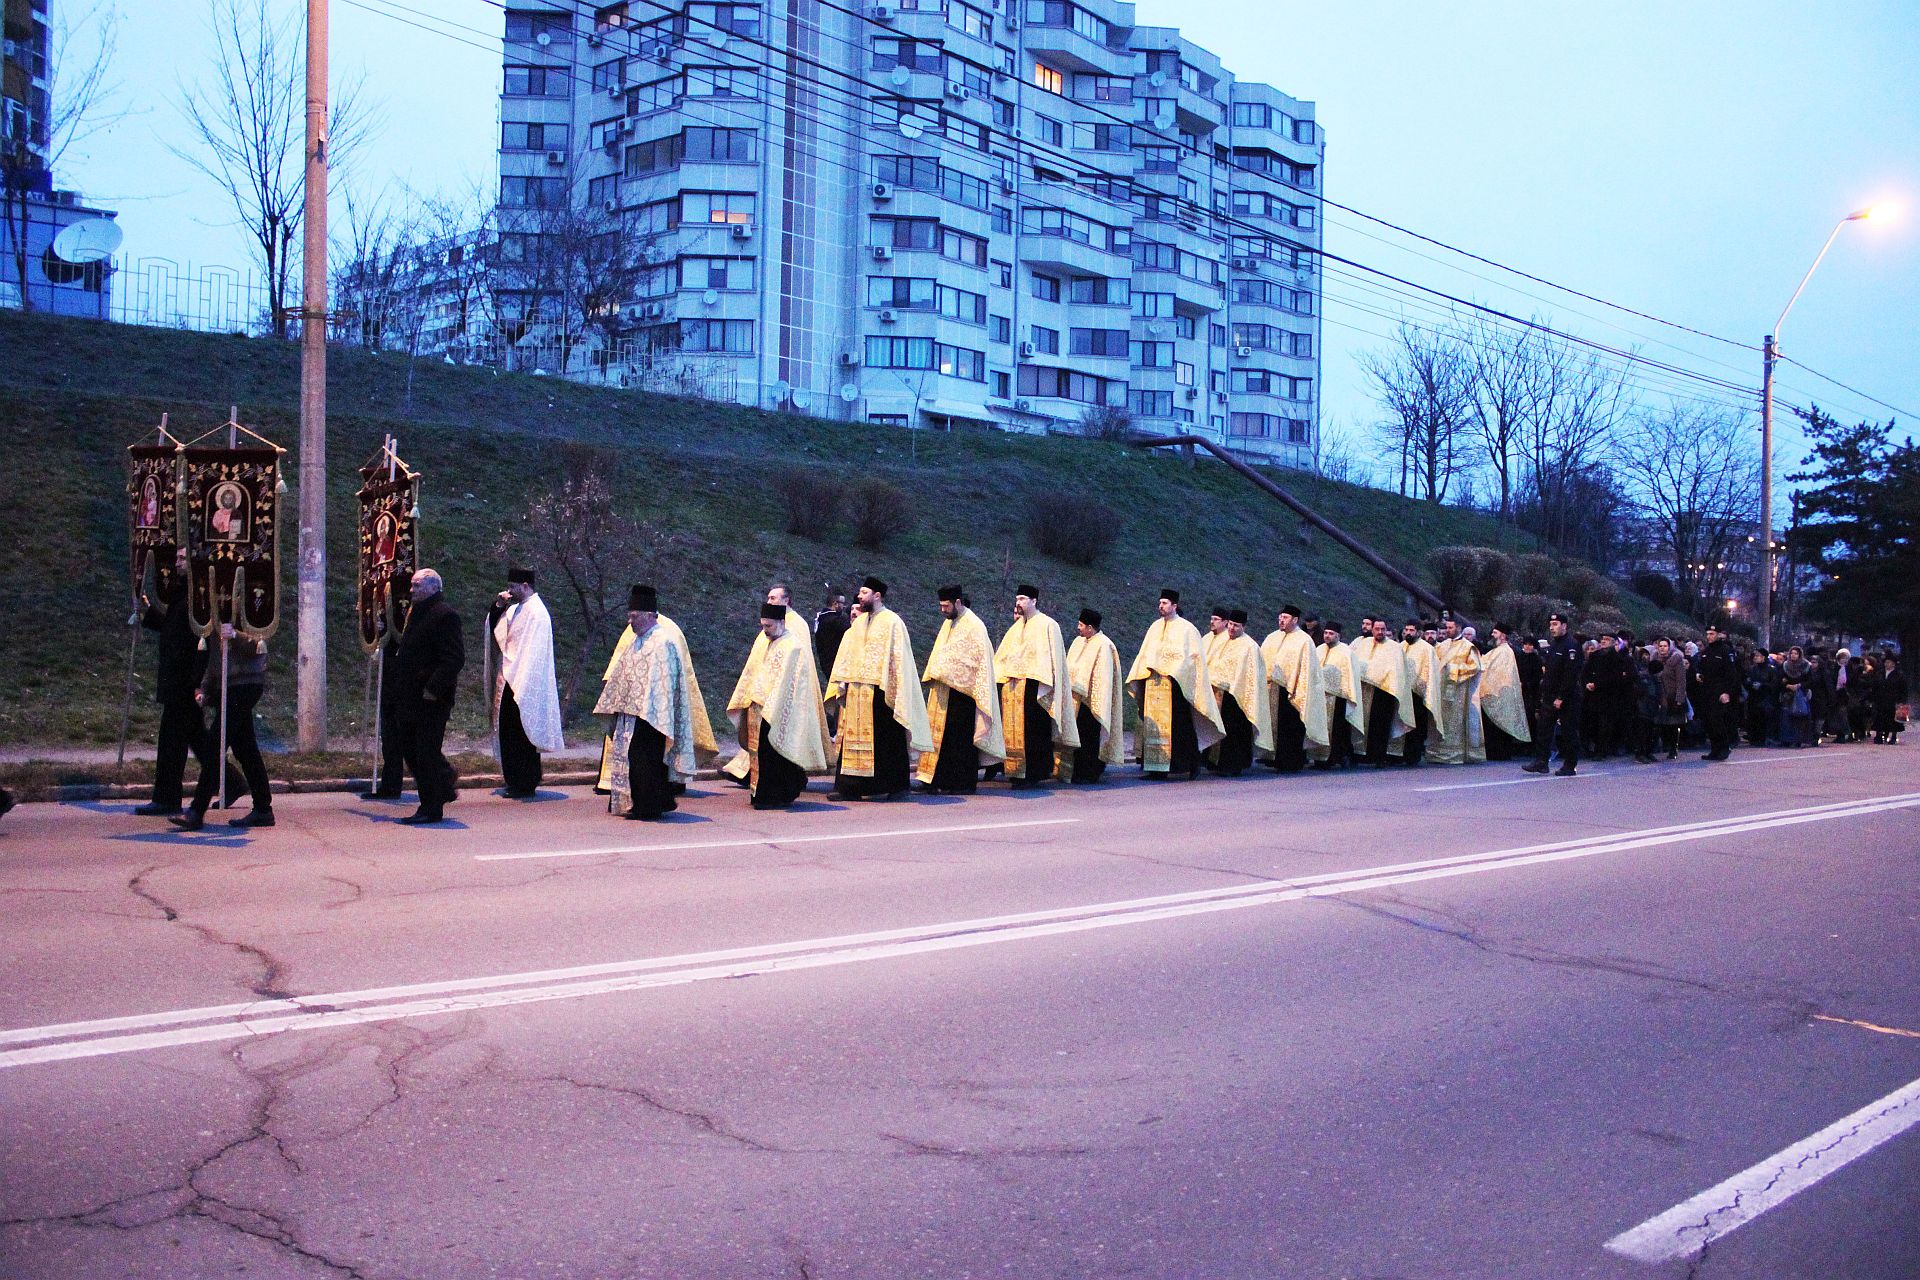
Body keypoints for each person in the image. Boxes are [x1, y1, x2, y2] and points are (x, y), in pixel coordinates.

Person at [595, 585, 703, 820]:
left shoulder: (663, 641)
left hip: (652, 716)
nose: (630, 621)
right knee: (636, 760)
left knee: (645, 762)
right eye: (629, 616)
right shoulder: (637, 641)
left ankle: (648, 806)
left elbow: (663, 683)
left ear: (648, 615)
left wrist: (650, 707)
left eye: (634, 617)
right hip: (632, 713)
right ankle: (655, 801)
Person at [825, 577, 932, 800]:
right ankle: (851, 787)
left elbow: (899, 660)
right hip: (856, 691)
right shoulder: (859, 623)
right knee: (852, 741)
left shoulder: (893, 622)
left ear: (877, 596)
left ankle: (896, 787)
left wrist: (895, 688)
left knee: (887, 741)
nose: (859, 596)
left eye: (864, 593)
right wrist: (842, 681)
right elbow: (847, 653)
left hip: (882, 692)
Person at [169, 621, 275, 831]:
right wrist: (206, 689)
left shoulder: (243, 609)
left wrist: (236, 635)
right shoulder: (215, 615)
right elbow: (217, 659)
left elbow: (260, 644)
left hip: (245, 683)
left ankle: (197, 811)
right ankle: (263, 808)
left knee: (214, 746)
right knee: (246, 750)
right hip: (229, 686)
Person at [723, 583, 828, 788]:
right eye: (768, 597)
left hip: (784, 695)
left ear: (786, 600)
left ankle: (784, 782)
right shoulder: (769, 624)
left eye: (773, 597)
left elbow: (797, 662)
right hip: (760, 695)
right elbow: (757, 661)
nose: (769, 600)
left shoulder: (796, 625)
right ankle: (751, 775)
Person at [135, 547, 213, 816]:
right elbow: (173, 628)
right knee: (198, 739)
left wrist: (197, 682)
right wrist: (148, 611)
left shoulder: (197, 596)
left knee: (172, 741)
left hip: (183, 681)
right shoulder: (182, 592)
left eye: (182, 558)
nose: (177, 562)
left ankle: (167, 798)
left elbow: (202, 641)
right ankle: (231, 781)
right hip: (176, 678)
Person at [390, 567, 466, 824]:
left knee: (425, 753)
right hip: (410, 696)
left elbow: (453, 658)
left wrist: (433, 689)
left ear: (434, 587)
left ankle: (431, 808)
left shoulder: (445, 615)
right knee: (411, 750)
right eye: (412, 586)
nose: (412, 591)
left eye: (417, 586)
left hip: (431, 699)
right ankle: (443, 781)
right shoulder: (418, 612)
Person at [913, 586, 1005, 794]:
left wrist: (949, 674)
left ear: (957, 602)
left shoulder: (974, 625)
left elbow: (976, 661)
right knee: (942, 739)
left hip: (964, 695)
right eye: (941, 606)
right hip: (944, 691)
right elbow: (942, 654)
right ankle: (935, 780)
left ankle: (961, 783)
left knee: (959, 741)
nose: (943, 610)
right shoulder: (949, 623)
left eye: (946, 606)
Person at [1126, 589, 1224, 780]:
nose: (1160, 606)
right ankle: (1156, 769)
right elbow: (1144, 654)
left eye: (1165, 603)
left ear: (1174, 606)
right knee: (1153, 728)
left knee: (1181, 728)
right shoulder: (1154, 627)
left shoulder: (1187, 629)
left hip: (1176, 688)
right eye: (1160, 603)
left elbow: (1193, 660)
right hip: (1153, 684)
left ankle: (1191, 764)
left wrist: (1172, 671)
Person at [488, 567, 566, 798]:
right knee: (510, 734)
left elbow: (535, 652)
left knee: (521, 736)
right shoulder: (517, 609)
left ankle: (525, 782)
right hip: (511, 677)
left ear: (525, 586)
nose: (509, 591)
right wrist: (497, 607)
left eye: (513, 587)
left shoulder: (537, 613)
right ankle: (514, 781)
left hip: (524, 680)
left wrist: (522, 678)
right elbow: (497, 627)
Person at [993, 585, 1077, 789]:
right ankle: (1015, 772)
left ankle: (1032, 772)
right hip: (1013, 688)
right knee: (1013, 732)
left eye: (1022, 599)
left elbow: (1055, 662)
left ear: (1033, 601)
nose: (1018, 603)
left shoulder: (1048, 625)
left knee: (1034, 733)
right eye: (1017, 599)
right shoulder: (1015, 628)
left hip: (1036, 689)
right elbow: (1003, 657)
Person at [360, 575, 412, 801]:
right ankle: (390, 785)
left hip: (406, 684)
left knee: (407, 739)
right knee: (389, 737)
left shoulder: (411, 616)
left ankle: (442, 779)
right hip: (390, 681)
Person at [1260, 604, 1325, 774]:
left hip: (1293, 692)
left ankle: (1291, 762)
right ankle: (1274, 758)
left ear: (1295, 620)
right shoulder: (1272, 637)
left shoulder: (1304, 640)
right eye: (1280, 617)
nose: (1281, 620)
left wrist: (1297, 687)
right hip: (1274, 688)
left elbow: (1308, 669)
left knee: (1291, 727)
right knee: (1275, 724)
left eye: (1285, 617)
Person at [1065, 608, 1125, 784]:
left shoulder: (1104, 645)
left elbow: (1104, 675)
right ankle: (1077, 771)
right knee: (1079, 737)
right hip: (1077, 698)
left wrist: (1090, 693)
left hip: (1092, 700)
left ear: (1090, 628)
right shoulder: (1078, 642)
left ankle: (1091, 772)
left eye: (1081, 625)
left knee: (1090, 738)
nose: (1078, 628)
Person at [1523, 612, 1583, 776]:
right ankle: (1541, 762)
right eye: (1550, 625)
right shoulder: (1553, 645)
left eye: (1555, 624)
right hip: (1550, 695)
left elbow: (1570, 674)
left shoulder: (1571, 645)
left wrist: (1561, 697)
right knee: (1544, 729)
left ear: (1564, 626)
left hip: (1567, 696)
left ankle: (1570, 765)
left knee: (1569, 731)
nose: (1552, 628)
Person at [1351, 619, 1415, 767]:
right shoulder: (1363, 644)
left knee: (1380, 726)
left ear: (1386, 630)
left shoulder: (1394, 648)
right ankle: (1363, 755)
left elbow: (1398, 671)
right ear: (1372, 629)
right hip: (1365, 691)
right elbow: (1356, 663)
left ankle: (1379, 757)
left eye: (1383, 629)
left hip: (1385, 692)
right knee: (1365, 723)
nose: (1380, 632)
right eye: (1377, 629)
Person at [1427, 614, 1481, 765]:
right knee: (1440, 720)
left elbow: (1475, 667)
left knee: (1454, 723)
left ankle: (1454, 753)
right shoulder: (1442, 645)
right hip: (1441, 690)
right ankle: (1437, 752)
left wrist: (1453, 669)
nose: (1448, 630)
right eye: (1447, 627)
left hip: (1458, 693)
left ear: (1459, 628)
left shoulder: (1468, 647)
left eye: (1451, 627)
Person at [1311, 622, 1365, 770]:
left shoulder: (1346, 652)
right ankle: (1319, 758)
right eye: (1326, 633)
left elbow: (1349, 676)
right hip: (1320, 697)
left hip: (1338, 698)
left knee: (1338, 731)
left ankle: (1336, 758)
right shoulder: (1318, 650)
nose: (1327, 636)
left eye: (1331, 634)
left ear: (1338, 636)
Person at [1477, 625, 1532, 763]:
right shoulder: (1496, 651)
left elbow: (1497, 672)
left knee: (1497, 726)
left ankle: (1499, 753)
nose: (1492, 635)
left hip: (1498, 694)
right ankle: (1492, 751)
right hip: (1489, 692)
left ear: (1502, 635)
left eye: (1495, 633)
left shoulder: (1506, 652)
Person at [1399, 619, 1445, 766]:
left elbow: (1430, 672)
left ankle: (1414, 755)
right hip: (1403, 692)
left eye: (1411, 630)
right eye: (1406, 630)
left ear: (1419, 632)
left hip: (1418, 694)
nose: (1408, 633)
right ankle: (1400, 754)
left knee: (1417, 726)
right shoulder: (1400, 646)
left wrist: (1422, 688)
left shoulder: (1426, 649)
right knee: (1402, 722)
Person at [1693, 623, 1741, 762]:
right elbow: (1701, 668)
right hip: (1707, 691)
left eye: (1712, 634)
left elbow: (1732, 675)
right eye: (1707, 634)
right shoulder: (1706, 651)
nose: (1709, 637)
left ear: (1719, 635)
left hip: (1719, 692)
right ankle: (1715, 749)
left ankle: (1724, 748)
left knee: (1717, 721)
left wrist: (1727, 692)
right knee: (1708, 722)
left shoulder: (1725, 651)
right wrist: (1698, 674)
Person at [813, 589, 851, 736]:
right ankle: (834, 728)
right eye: (842, 603)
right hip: (834, 662)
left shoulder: (822, 617)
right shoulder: (833, 620)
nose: (843, 606)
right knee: (838, 695)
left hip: (826, 661)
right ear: (835, 604)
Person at [1650, 637, 1689, 760]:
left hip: (1672, 697)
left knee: (1673, 724)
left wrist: (1679, 698)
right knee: (1660, 724)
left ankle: (1674, 748)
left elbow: (1681, 681)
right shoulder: (1654, 660)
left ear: (1669, 647)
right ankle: (1663, 745)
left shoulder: (1676, 660)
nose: (1662, 648)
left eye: (1665, 646)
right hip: (1659, 697)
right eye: (1660, 646)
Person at [1779, 646, 1813, 748]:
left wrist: (1799, 685)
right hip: (1788, 694)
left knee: (1799, 717)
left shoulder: (1806, 666)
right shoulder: (1785, 665)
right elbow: (1780, 678)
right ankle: (1786, 739)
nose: (1793, 655)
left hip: (1801, 695)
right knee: (1786, 717)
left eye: (1796, 653)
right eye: (1792, 653)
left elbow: (1810, 680)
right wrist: (1787, 685)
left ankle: (1798, 740)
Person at [1872, 654, 1907, 744]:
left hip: (1893, 700)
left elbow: (1903, 689)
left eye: (1889, 662)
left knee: (1893, 720)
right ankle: (1879, 735)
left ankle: (1893, 736)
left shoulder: (1899, 675)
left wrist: (1901, 702)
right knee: (1880, 718)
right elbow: (1875, 686)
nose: (1887, 664)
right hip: (1881, 700)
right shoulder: (1880, 673)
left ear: (1893, 664)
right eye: (1886, 662)